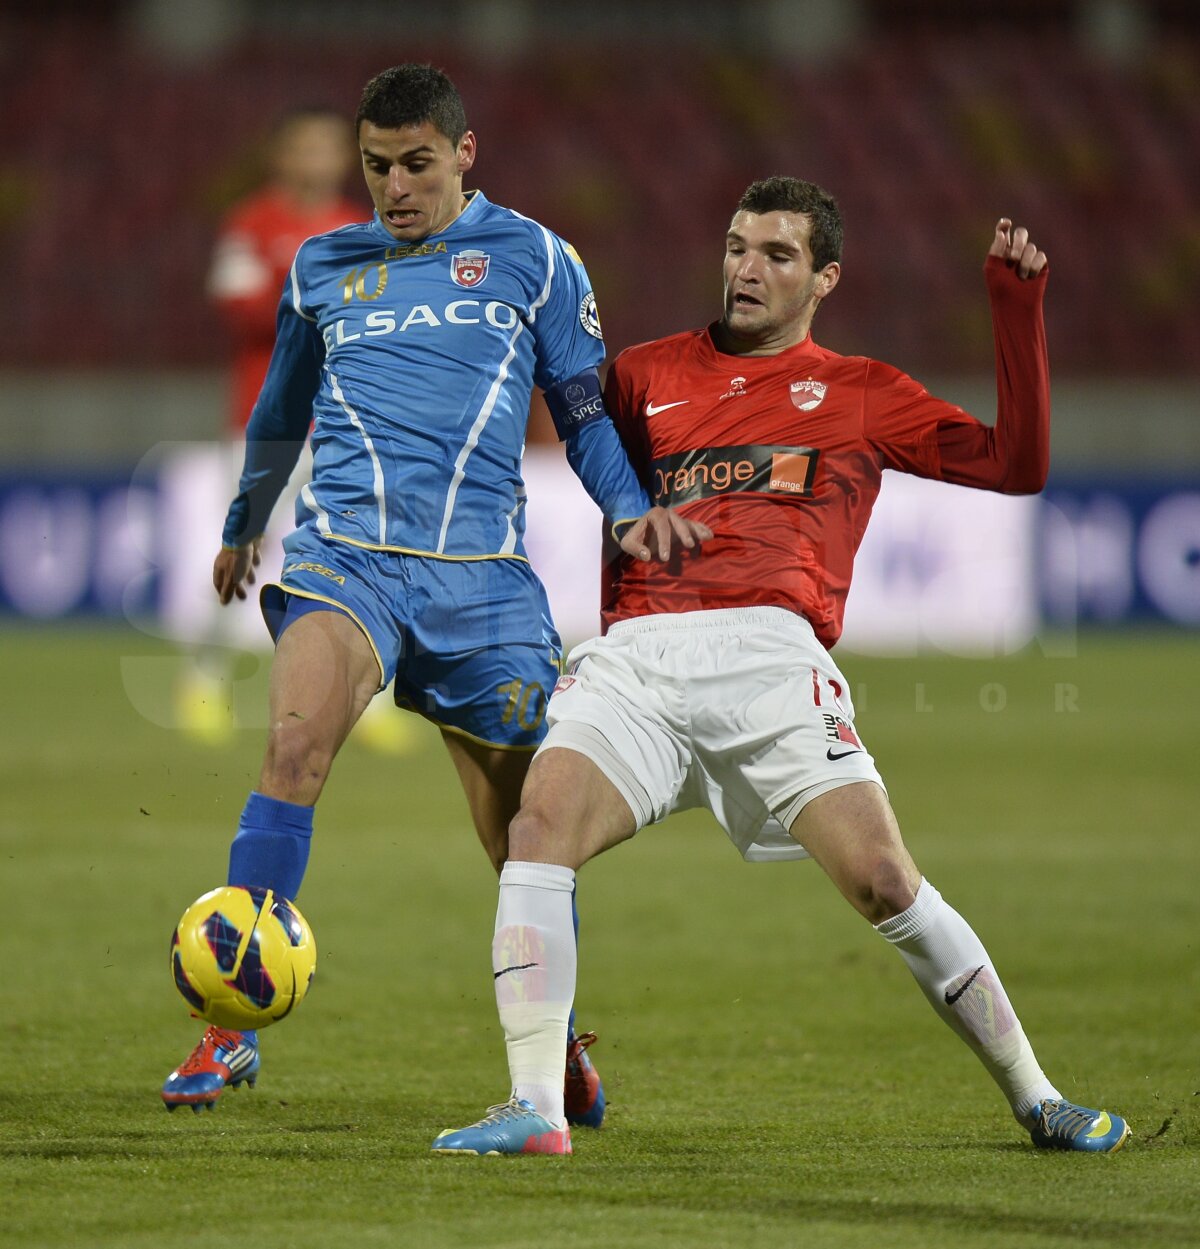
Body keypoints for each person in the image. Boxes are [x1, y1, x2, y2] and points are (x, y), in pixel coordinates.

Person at [431, 177, 1131, 1156]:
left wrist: (1017, 312)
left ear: (825, 277)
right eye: (736, 246)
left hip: (770, 654)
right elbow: (561, 434)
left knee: (886, 879)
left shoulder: (863, 394)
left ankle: (1038, 1097)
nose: (747, 268)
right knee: (535, 830)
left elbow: (1016, 463)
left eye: (778, 254)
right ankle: (538, 1106)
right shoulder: (640, 376)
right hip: (639, 649)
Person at [161, 64, 708, 1119]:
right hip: (345, 559)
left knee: (524, 834)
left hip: (484, 586)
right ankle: (228, 1029)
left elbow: (584, 411)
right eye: (376, 167)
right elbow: (280, 407)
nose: (394, 187)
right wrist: (243, 526)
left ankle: (551, 1054)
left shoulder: (535, 258)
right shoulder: (325, 264)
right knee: (292, 746)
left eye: (416, 164)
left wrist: (630, 508)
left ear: (465, 153)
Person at [176, 107, 363, 746]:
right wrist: (312, 286)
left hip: (343, 421)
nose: (318, 158)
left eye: (329, 147)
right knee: (243, 545)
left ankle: (368, 699)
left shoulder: (358, 227)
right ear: (280, 155)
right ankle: (203, 679)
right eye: (306, 146)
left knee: (359, 556)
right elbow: (238, 307)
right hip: (267, 420)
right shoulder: (251, 222)